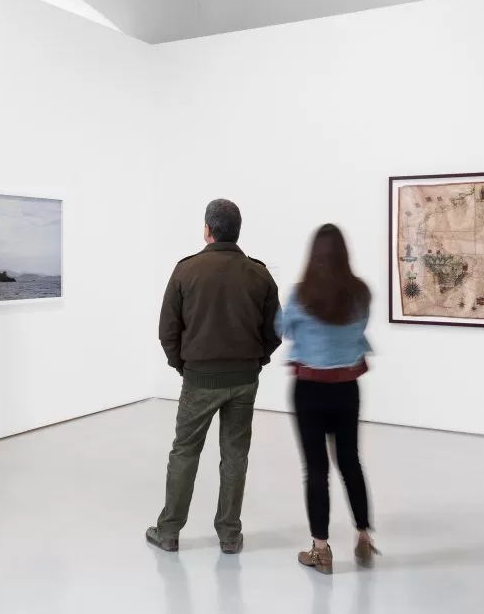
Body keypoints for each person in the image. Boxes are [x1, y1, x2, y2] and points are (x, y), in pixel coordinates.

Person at [146, 198, 281, 555]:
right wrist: (257, 361)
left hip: (199, 379)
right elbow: (275, 330)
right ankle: (230, 535)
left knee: (185, 452)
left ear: (207, 230)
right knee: (235, 455)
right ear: (237, 231)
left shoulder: (186, 270)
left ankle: (169, 531)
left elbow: (167, 330)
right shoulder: (259, 274)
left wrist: (183, 366)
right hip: (244, 379)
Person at [276, 224, 378, 574]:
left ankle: (321, 551)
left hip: (309, 389)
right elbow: (360, 328)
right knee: (350, 461)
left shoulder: (301, 293)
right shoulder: (361, 293)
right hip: (347, 387)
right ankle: (363, 537)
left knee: (316, 469)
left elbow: (281, 328)